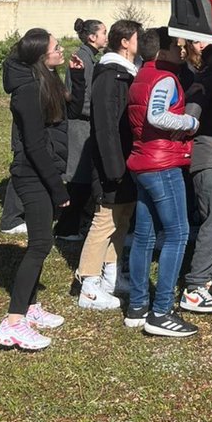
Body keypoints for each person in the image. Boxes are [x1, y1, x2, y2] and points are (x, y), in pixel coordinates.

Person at [0, 29, 86, 351]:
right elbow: (33, 145)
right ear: (40, 55)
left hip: (45, 171)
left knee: (39, 241)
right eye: (56, 47)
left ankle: (30, 308)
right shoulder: (28, 90)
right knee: (41, 244)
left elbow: (70, 113)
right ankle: (13, 322)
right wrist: (57, 188)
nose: (61, 50)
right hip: (32, 174)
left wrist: (78, 78)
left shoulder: (46, 79)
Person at [124, 27, 200, 339]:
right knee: (178, 234)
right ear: (163, 52)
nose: (182, 51)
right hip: (162, 164)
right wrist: (190, 122)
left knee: (144, 234)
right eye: (178, 46)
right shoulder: (166, 79)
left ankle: (138, 306)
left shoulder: (141, 74)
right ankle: (162, 311)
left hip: (142, 160)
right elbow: (157, 116)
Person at [75, 19, 142, 310]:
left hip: (125, 161)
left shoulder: (126, 74)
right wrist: (114, 166)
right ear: (125, 42)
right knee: (104, 221)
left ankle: (111, 275)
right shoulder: (109, 75)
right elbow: (104, 127)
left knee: (122, 219)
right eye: (137, 38)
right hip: (111, 163)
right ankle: (88, 285)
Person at [179, 43, 212, 314]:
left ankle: (201, 280)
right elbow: (190, 118)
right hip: (206, 156)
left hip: (211, 153)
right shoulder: (211, 79)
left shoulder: (209, 77)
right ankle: (195, 286)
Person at [55, 18, 106, 240]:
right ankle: (66, 228)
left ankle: (73, 224)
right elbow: (82, 98)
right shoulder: (83, 58)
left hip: (84, 126)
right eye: (103, 32)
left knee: (82, 179)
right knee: (79, 180)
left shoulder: (89, 57)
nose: (106, 36)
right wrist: (99, 114)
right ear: (92, 37)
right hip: (81, 127)